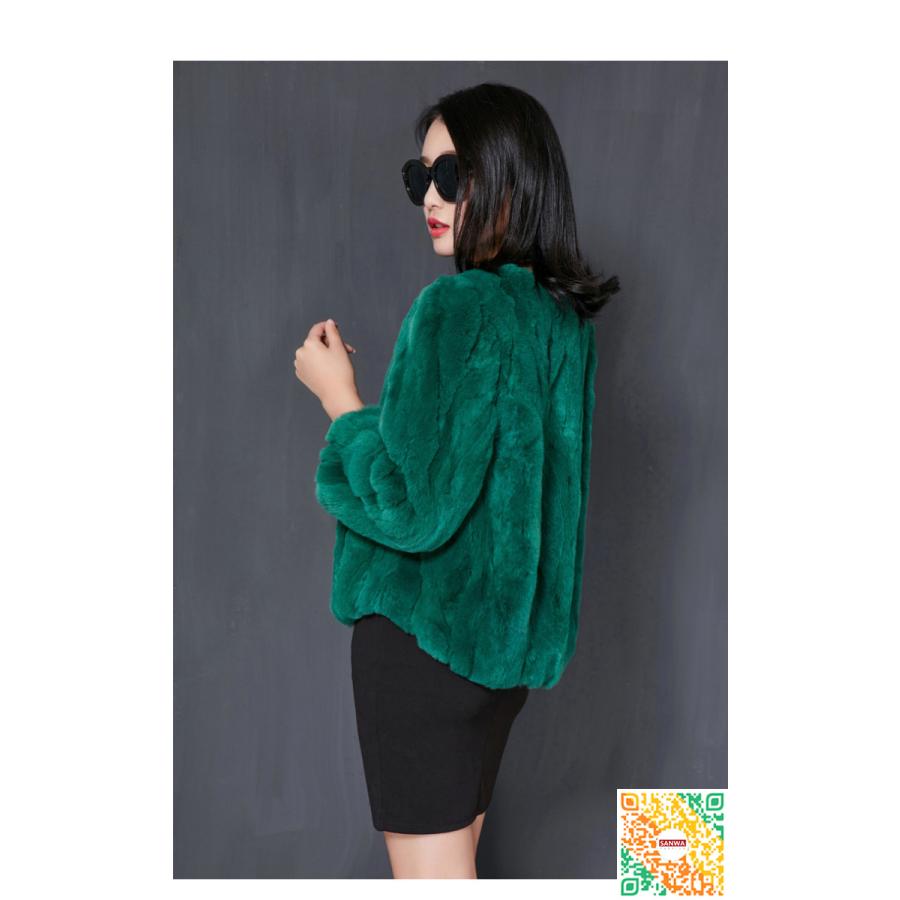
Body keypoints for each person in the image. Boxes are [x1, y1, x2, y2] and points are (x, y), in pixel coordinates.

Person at [294, 82, 620, 878]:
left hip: (424, 650)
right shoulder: (559, 320)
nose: (431, 198)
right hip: (502, 665)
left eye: (450, 174)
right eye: (421, 178)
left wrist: (340, 402)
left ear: (511, 174)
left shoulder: (458, 307)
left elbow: (411, 505)